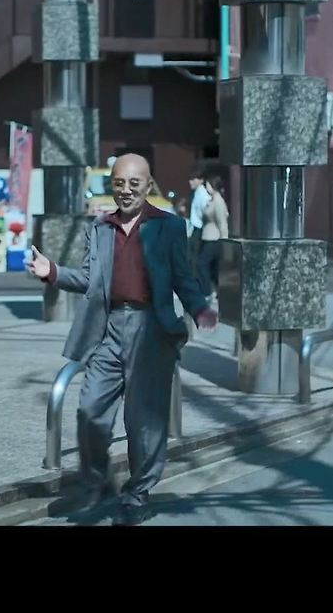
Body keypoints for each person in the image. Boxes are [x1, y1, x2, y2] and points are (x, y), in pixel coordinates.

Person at [27, 154, 218, 526]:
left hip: (152, 329)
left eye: (134, 183)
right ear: (111, 185)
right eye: (119, 183)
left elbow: (184, 278)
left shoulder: (169, 226)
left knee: (143, 421)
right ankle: (96, 483)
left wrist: (199, 308)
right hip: (108, 328)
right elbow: (89, 279)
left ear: (147, 185)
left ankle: (137, 494)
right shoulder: (100, 227)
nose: (126, 190)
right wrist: (52, 271)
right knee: (90, 410)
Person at [196, 173, 229, 300]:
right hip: (208, 237)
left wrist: (224, 240)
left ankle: (207, 291)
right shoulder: (212, 200)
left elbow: (222, 222)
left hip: (214, 239)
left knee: (202, 264)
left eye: (207, 185)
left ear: (213, 186)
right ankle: (220, 291)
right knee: (214, 268)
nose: (206, 187)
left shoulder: (218, 201)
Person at [187, 165, 210, 265]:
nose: (190, 182)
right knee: (191, 257)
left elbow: (206, 212)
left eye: (193, 179)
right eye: (190, 179)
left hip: (199, 229)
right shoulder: (196, 193)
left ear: (201, 180)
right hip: (195, 229)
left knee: (194, 259)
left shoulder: (203, 194)